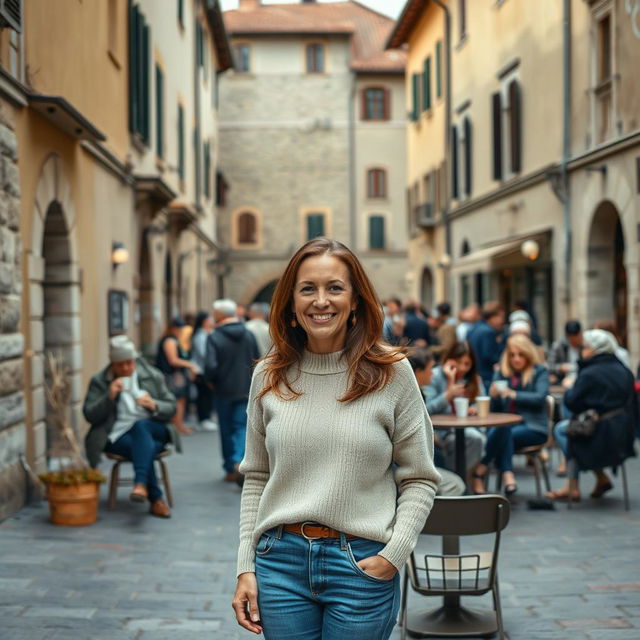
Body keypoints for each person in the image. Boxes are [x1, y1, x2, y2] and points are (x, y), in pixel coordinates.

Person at [232, 238, 440, 639]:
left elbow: (420, 476)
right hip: (279, 564)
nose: (321, 301)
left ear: (356, 300)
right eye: (307, 288)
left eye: (335, 288)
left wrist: (393, 556)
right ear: (291, 302)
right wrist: (246, 565)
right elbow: (256, 475)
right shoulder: (269, 375)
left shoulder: (391, 373)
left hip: (362, 562)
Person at [83, 335, 179, 518]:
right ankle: (156, 499)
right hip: (116, 435)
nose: (126, 368)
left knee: (141, 427)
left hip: (154, 428)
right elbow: (90, 415)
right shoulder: (100, 381)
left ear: (135, 360)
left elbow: (172, 407)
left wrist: (154, 405)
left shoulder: (152, 375)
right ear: (112, 363)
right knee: (144, 448)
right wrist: (108, 397)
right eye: (120, 365)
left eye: (130, 363)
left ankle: (141, 483)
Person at [546, 329, 637, 501]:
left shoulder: (590, 373)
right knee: (573, 428)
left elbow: (572, 402)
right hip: (623, 433)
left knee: (563, 430)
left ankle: (572, 486)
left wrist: (571, 387)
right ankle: (600, 477)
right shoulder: (623, 369)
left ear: (596, 349)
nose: (583, 351)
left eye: (585, 347)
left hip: (601, 435)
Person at [470, 334, 549, 496]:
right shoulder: (503, 372)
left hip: (533, 426)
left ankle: (480, 470)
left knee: (504, 432)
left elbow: (540, 398)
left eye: (521, 355)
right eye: (512, 355)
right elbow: (496, 409)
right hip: (508, 427)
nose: (516, 359)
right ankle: (508, 477)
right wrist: (494, 396)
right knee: (503, 429)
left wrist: (514, 394)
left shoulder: (539, 371)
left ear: (528, 354)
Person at [205, 299, 260, 484]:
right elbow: (257, 360)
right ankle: (240, 461)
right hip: (245, 388)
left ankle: (231, 466)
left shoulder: (214, 336)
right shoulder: (248, 334)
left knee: (226, 429)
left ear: (220, 315)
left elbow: (210, 366)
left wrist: (211, 381)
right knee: (241, 427)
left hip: (223, 390)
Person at [407, 348, 465, 496]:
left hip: (419, 455)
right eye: (430, 369)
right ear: (418, 371)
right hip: (410, 463)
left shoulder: (418, 392)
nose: (433, 373)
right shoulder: (409, 396)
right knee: (455, 484)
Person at [424, 341, 487, 474]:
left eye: (467, 364)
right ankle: (458, 478)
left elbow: (481, 400)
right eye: (459, 362)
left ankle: (455, 478)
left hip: (467, 428)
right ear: (449, 360)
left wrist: (473, 408)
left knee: (478, 438)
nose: (463, 368)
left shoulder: (473, 379)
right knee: (474, 439)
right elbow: (426, 409)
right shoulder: (434, 376)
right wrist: (448, 394)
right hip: (441, 433)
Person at [156, 318, 198, 435]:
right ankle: (177, 426)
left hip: (174, 374)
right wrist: (190, 365)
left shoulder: (173, 339)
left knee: (180, 399)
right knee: (177, 399)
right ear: (173, 329)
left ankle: (179, 425)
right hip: (171, 375)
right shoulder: (169, 340)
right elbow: (173, 360)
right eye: (179, 329)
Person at [467, 301, 506, 391]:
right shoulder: (488, 331)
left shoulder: (473, 328)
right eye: (501, 317)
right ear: (493, 316)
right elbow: (489, 355)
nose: (502, 321)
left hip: (473, 373)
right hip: (485, 375)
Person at [191, 311, 217, 432]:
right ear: (204, 321)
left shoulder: (209, 333)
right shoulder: (199, 336)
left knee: (207, 394)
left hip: (205, 369)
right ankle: (203, 419)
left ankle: (206, 418)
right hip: (201, 370)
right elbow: (203, 354)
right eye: (210, 318)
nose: (212, 320)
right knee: (203, 395)